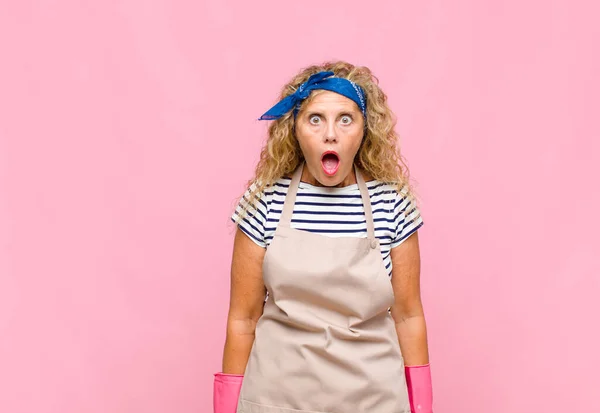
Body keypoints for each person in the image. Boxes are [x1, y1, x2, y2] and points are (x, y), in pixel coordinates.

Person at [213, 61, 433, 413]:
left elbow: (408, 315)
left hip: (374, 401)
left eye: (345, 119)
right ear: (295, 130)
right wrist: (226, 407)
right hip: (276, 400)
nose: (330, 133)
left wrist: (422, 405)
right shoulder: (264, 201)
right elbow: (244, 318)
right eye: (315, 118)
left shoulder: (393, 204)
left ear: (365, 130)